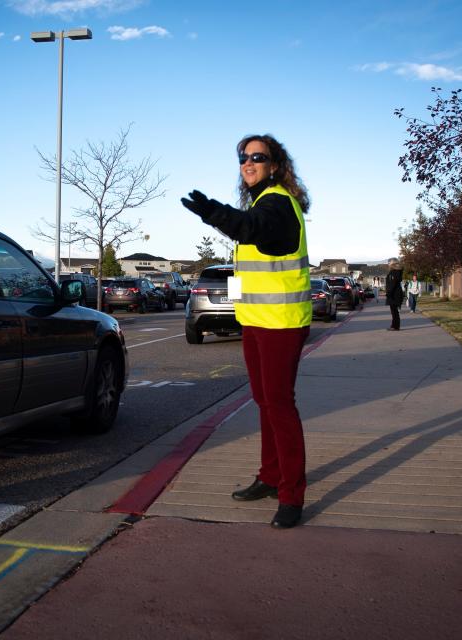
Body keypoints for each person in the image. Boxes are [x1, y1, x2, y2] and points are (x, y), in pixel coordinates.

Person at [181, 133, 312, 529]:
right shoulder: (260, 202)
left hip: (281, 325)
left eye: (258, 156)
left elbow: (248, 228)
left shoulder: (277, 205)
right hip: (256, 322)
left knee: (280, 406)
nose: (249, 162)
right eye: (243, 157)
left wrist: (212, 212)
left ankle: (292, 495)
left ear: (275, 164)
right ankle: (271, 477)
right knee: (264, 402)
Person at [385, 259, 404, 330]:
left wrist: (388, 293)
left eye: (389, 263)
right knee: (395, 311)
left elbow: (392, 284)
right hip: (396, 294)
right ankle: (394, 325)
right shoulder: (397, 272)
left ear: (392, 264)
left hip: (394, 295)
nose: (388, 264)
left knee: (394, 311)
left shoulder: (393, 272)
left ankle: (395, 326)